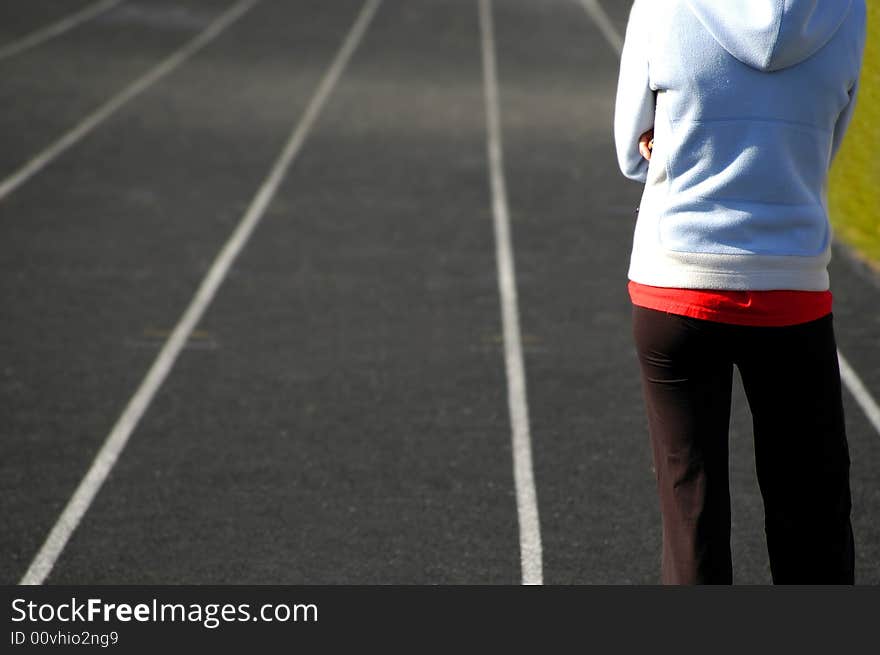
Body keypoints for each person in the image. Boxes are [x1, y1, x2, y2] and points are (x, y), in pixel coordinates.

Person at [613, 0, 867, 584]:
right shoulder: (848, 10)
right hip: (792, 283)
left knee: (691, 513)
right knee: (813, 517)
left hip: (677, 280)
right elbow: (828, 143)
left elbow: (632, 152)